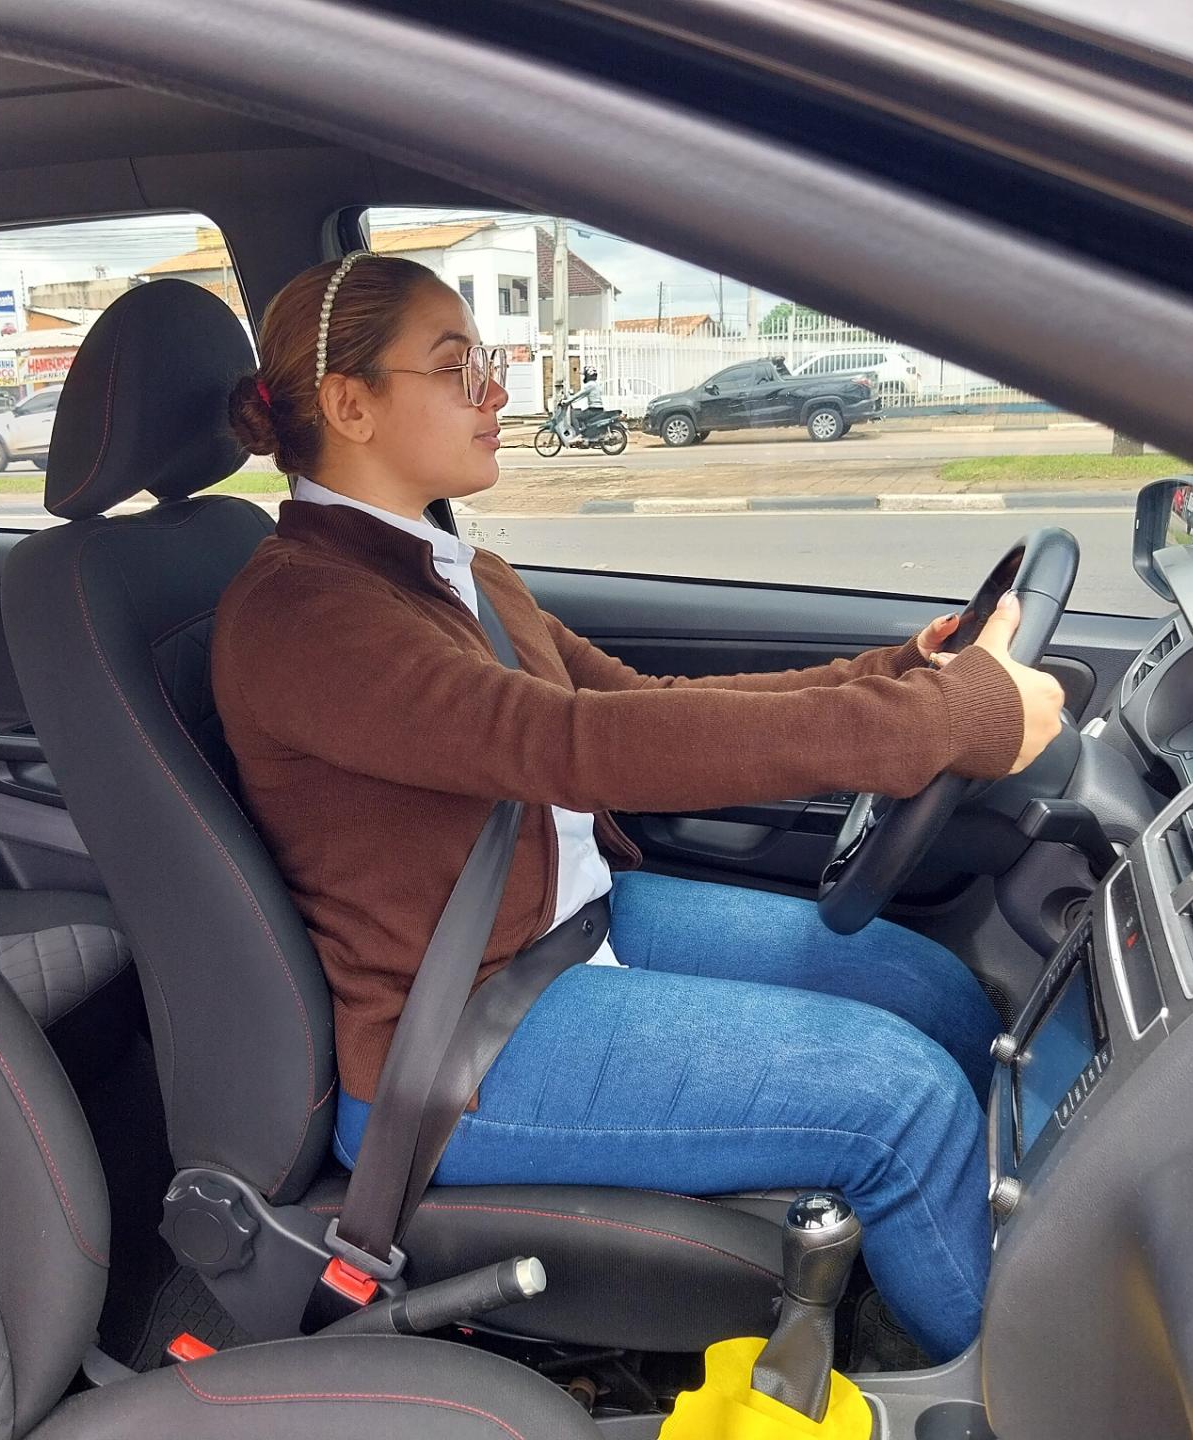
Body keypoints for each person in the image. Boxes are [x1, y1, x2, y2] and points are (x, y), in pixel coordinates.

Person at [212, 251, 1065, 1361]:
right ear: (349, 403)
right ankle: (1034, 1384)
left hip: (574, 932)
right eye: (458, 365)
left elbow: (643, 702)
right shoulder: (304, 615)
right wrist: (950, 724)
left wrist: (908, 670)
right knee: (899, 1102)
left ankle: (1009, 1243)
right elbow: (576, 748)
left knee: (934, 992)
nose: (498, 391)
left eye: (489, 360)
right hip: (457, 1042)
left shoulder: (452, 567)